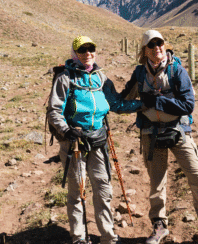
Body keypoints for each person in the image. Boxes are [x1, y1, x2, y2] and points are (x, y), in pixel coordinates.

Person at [119, 30, 198, 244]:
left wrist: (156, 101)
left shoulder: (177, 70)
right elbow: (123, 101)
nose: (157, 47)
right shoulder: (140, 74)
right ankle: (159, 225)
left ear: (165, 46)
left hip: (178, 132)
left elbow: (188, 105)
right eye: (152, 44)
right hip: (151, 133)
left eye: (160, 43)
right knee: (156, 183)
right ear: (144, 50)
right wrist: (137, 103)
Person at [47, 35, 143, 244]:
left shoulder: (101, 78)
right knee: (77, 191)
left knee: (103, 188)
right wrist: (66, 130)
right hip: (74, 143)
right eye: (82, 50)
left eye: (91, 49)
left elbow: (116, 104)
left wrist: (143, 104)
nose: (87, 54)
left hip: (98, 140)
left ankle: (108, 235)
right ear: (75, 53)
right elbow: (54, 110)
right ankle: (79, 237)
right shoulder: (65, 78)